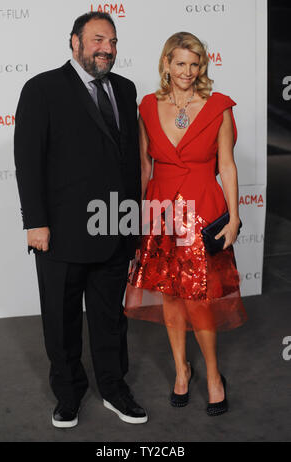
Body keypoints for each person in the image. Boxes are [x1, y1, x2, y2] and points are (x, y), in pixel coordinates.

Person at [14, 11, 148, 427]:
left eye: (112, 41)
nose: (107, 48)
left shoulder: (125, 89)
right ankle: (68, 394)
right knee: (61, 318)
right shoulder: (42, 88)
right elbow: (28, 160)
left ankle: (113, 388)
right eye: (97, 40)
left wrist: (132, 221)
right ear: (75, 42)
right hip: (60, 233)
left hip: (113, 227)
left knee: (110, 319)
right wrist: (35, 222)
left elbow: (128, 162)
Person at [125, 32, 248, 416]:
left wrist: (236, 214)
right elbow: (145, 166)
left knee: (200, 300)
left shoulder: (218, 107)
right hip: (160, 212)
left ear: (203, 67)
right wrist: (134, 219)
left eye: (195, 65)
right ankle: (182, 370)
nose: (187, 72)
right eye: (180, 63)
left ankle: (213, 375)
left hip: (203, 210)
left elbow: (226, 165)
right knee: (172, 296)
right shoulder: (146, 106)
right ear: (166, 64)